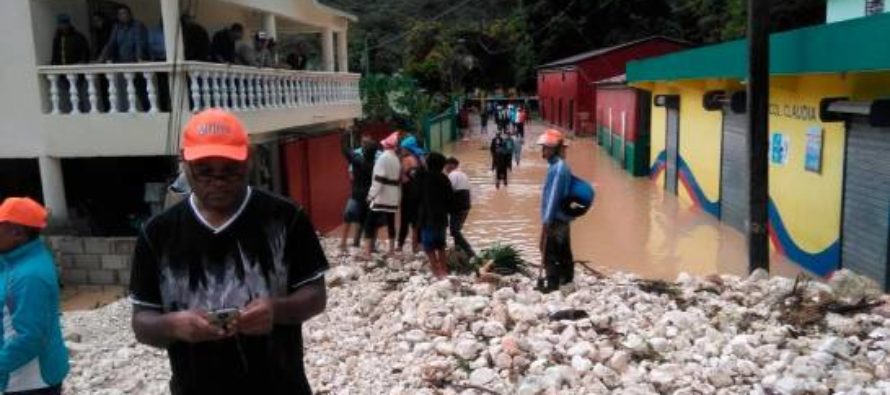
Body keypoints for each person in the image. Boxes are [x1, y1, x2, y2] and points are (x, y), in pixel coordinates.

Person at [129, 109, 329, 394]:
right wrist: (173, 325)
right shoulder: (156, 234)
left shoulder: (285, 218)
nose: (218, 181)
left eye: (230, 170)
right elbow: (141, 322)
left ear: (248, 159)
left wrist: (275, 310)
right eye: (205, 172)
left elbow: (316, 296)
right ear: (184, 162)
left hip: (280, 385)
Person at [0, 197, 70, 395]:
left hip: (29, 381)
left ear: (17, 233)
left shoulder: (29, 276)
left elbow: (30, 337)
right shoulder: (18, 260)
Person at [538, 129, 574, 293]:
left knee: (551, 251)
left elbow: (553, 197)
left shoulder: (558, 168)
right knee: (561, 249)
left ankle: (553, 284)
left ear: (553, 149)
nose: (542, 151)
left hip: (555, 218)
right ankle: (565, 280)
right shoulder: (557, 167)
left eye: (545, 148)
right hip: (559, 218)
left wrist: (547, 220)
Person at [340, 130, 379, 252]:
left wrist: (344, 135)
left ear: (364, 151)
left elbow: (345, 150)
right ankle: (371, 246)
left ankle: (343, 243)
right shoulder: (377, 165)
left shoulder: (357, 160)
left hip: (356, 195)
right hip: (370, 197)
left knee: (348, 217)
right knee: (371, 221)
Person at [364, 132, 402, 257]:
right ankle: (391, 250)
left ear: (385, 146)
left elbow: (378, 180)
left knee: (369, 222)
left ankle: (367, 252)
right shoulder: (396, 159)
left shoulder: (382, 158)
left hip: (381, 197)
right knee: (391, 222)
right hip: (392, 197)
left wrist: (370, 196)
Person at [418, 153, 453, 278]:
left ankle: (435, 270)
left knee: (429, 245)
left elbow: (415, 191)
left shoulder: (423, 177)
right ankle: (443, 269)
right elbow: (450, 198)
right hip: (441, 216)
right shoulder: (444, 178)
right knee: (440, 244)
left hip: (427, 216)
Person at [397, 135, 425, 254]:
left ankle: (400, 245)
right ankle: (418, 245)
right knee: (417, 221)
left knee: (405, 221)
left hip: (409, 194)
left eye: (403, 148)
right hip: (420, 194)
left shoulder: (407, 160)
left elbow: (401, 178)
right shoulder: (420, 158)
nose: (401, 150)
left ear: (408, 148)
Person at [445, 157, 475, 257]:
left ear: (451, 165)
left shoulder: (452, 175)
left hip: (458, 206)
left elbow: (448, 190)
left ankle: (469, 251)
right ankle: (458, 250)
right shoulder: (463, 174)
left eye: (446, 165)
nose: (445, 168)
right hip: (466, 206)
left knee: (454, 230)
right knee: (456, 229)